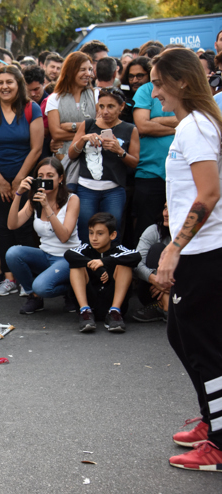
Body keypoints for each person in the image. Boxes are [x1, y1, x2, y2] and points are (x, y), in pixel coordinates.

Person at [147, 48, 222, 471]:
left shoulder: (195, 126)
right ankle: (213, 419)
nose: (154, 92)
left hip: (202, 254)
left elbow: (209, 192)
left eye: (159, 83)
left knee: (205, 349)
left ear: (182, 82)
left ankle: (220, 443)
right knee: (182, 337)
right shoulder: (196, 124)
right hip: (201, 249)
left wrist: (174, 247)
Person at [0, 65, 44, 296]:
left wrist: (19, 180)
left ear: (19, 84)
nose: (4, 87)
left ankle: (29, 280)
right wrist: (1, 181)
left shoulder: (31, 108)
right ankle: (9, 278)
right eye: (0, 82)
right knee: (3, 226)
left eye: (9, 82)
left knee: (25, 226)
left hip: (24, 178)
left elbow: (36, 149)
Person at [6, 158, 80, 314]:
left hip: (67, 257)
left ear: (60, 179)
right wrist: (19, 194)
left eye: (50, 176)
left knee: (41, 286)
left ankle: (72, 288)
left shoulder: (72, 200)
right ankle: (34, 297)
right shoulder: (35, 199)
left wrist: (47, 207)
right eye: (41, 176)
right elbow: (12, 225)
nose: (45, 180)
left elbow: (64, 236)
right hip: (46, 255)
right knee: (13, 253)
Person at [67, 88, 139, 243]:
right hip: (85, 188)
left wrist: (120, 151)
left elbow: (135, 162)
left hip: (113, 189)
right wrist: (83, 139)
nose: (105, 111)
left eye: (111, 107)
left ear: (121, 107)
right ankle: (86, 264)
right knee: (85, 229)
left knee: (113, 230)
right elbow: (71, 154)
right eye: (101, 106)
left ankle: (110, 264)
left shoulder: (129, 129)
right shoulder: (88, 124)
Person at [65, 213, 140, 333]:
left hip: (112, 301)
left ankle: (115, 312)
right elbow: (69, 254)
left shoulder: (119, 250)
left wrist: (104, 262)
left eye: (100, 234)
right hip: (90, 300)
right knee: (75, 265)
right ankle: (85, 311)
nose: (94, 238)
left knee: (125, 265)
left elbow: (135, 256)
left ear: (113, 235)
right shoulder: (85, 249)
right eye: (91, 233)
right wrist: (98, 268)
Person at [132, 62, 176, 245]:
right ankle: (140, 270)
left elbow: (191, 117)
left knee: (175, 227)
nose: (155, 93)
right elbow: (142, 125)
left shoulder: (181, 91)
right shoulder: (145, 90)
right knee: (145, 228)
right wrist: (177, 128)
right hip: (149, 172)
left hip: (178, 175)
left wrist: (157, 121)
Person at [45, 51, 98, 177]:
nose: (88, 74)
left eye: (90, 69)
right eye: (83, 70)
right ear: (70, 71)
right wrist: (86, 133)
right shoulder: (54, 99)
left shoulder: (96, 95)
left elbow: (99, 128)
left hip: (92, 160)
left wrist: (72, 126)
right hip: (64, 161)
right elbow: (56, 133)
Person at [132, 204, 170, 322]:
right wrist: (156, 280)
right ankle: (167, 307)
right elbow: (136, 263)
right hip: (151, 290)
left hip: (179, 289)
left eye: (171, 208)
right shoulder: (153, 230)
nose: (166, 213)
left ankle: (162, 308)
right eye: (164, 208)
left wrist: (171, 285)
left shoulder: (195, 235)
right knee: (158, 249)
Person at [118, 56, 151, 124]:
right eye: (131, 76)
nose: (134, 80)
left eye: (139, 76)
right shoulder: (121, 96)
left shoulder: (157, 96)